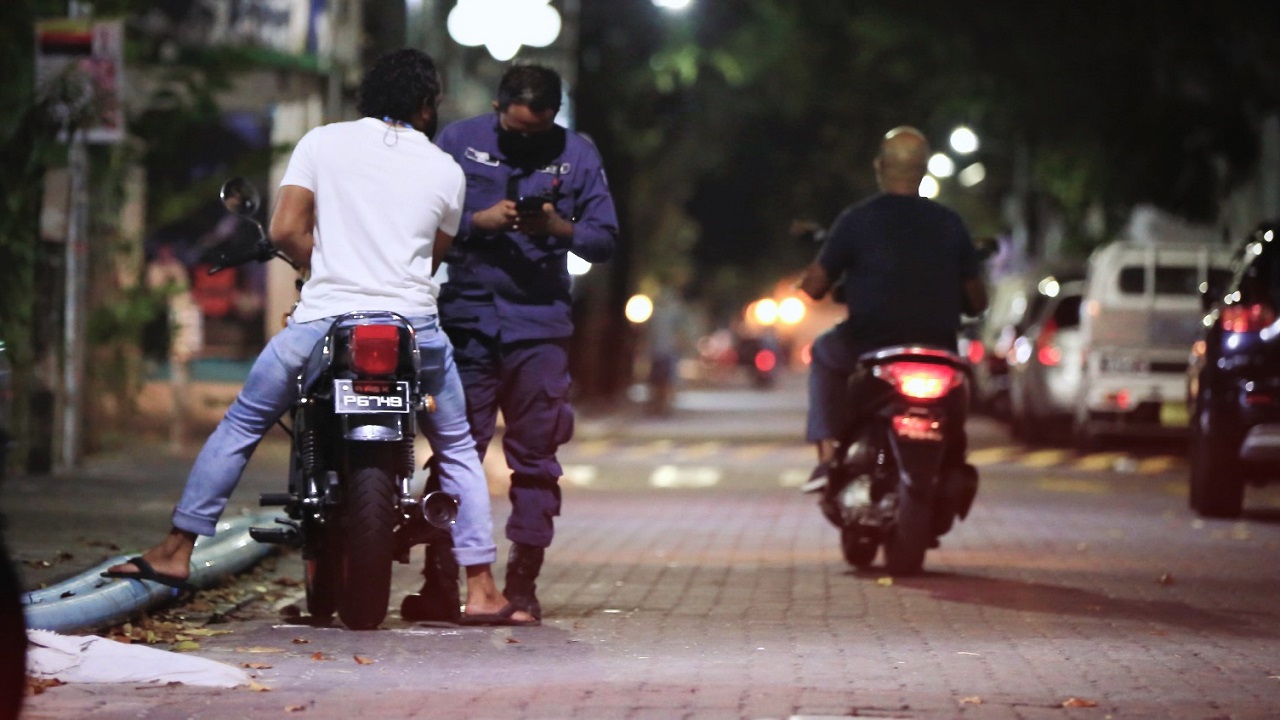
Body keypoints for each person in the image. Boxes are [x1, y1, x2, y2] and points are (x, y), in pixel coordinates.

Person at [103, 49, 535, 626]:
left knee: (243, 422)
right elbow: (434, 256)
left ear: (368, 96)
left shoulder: (322, 143)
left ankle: (178, 551)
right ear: (427, 106)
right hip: (415, 328)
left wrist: (326, 266)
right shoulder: (446, 170)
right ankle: (481, 588)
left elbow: (283, 229)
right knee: (455, 444)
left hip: (325, 321)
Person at [432, 64, 619, 620]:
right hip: (467, 320)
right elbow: (420, 217)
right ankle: (443, 582)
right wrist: (478, 221)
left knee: (535, 457)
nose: (527, 145)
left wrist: (561, 229)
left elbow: (605, 238)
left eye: (538, 135)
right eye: (516, 133)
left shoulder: (578, 154)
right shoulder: (457, 143)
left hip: (539, 326)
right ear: (497, 109)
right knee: (453, 454)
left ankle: (523, 584)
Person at [798, 126, 988, 486]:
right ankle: (952, 458)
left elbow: (816, 286)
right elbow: (978, 300)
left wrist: (809, 281)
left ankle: (826, 458)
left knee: (824, 351)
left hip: (869, 345)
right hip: (939, 347)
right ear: (925, 168)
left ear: (879, 167)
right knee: (962, 380)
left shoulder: (856, 220)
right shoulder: (951, 223)